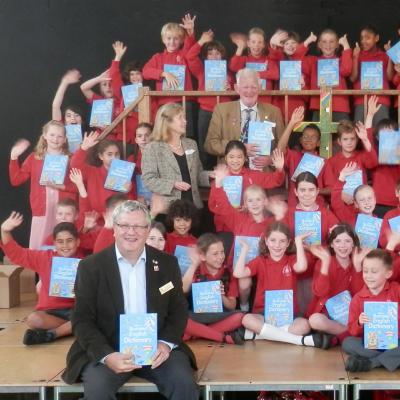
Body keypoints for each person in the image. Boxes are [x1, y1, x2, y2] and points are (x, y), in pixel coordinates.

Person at [62, 200, 198, 400]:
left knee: (184, 384)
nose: (131, 232)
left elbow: (178, 310)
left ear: (147, 229)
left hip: (156, 349)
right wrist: (107, 356)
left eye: (138, 226)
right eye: (124, 225)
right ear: (114, 229)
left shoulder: (167, 264)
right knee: (98, 389)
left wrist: (165, 344)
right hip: (109, 348)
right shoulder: (90, 267)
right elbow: (82, 319)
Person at [233, 222, 331, 348]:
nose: (277, 245)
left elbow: (301, 267)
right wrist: (245, 250)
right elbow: (238, 273)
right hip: (263, 313)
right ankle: (298, 341)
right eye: (273, 240)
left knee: (304, 326)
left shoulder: (291, 260)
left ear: (288, 243)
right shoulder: (261, 261)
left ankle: (256, 336)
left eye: (282, 241)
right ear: (266, 241)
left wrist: (299, 242)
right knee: (247, 320)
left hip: (289, 315)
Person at [1, 212, 84, 345]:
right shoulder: (44, 258)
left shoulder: (86, 262)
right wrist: (5, 230)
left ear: (77, 241)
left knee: (90, 317)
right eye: (60, 241)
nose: (65, 245)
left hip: (76, 310)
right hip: (50, 313)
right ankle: (71, 328)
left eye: (69, 241)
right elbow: (16, 253)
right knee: (33, 319)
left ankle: (53, 334)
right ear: (54, 243)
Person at [9, 120, 75, 249]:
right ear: (44, 135)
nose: (55, 139)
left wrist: (61, 186)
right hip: (41, 209)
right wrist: (13, 158)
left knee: (64, 243)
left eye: (59, 136)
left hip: (64, 210)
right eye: (52, 135)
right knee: (40, 247)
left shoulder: (71, 158)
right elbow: (16, 180)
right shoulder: (35, 157)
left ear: (65, 139)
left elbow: (79, 187)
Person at [204, 68, 284, 169]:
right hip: (230, 174)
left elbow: (283, 146)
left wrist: (271, 159)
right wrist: (240, 147)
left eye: (254, 87)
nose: (249, 91)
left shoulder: (274, 112)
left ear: (260, 88)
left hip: (262, 175)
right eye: (245, 87)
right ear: (237, 88)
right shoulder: (221, 110)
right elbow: (210, 144)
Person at [141, 103, 210, 210]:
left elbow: (198, 174)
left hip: (193, 208)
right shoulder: (152, 148)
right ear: (167, 122)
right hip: (167, 210)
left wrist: (211, 176)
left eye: (184, 118)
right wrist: (173, 184)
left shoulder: (191, 144)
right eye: (180, 118)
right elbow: (148, 180)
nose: (185, 121)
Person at [307, 224, 365, 345]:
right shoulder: (323, 262)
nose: (343, 246)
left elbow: (359, 293)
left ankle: (337, 337)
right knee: (314, 320)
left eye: (347, 241)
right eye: (338, 241)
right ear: (332, 244)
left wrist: (358, 267)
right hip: (327, 313)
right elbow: (320, 292)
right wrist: (325, 264)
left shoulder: (358, 262)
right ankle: (350, 334)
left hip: (350, 313)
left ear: (353, 244)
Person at [343, 249, 400, 372]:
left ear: (388, 274)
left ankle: (371, 363)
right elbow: (352, 331)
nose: (368, 276)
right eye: (365, 271)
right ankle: (390, 360)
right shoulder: (358, 298)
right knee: (347, 343)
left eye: (374, 272)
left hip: (395, 343)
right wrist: (359, 322)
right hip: (371, 345)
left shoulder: (396, 290)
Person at [181, 233, 244, 344]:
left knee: (239, 317)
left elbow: (232, 305)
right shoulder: (196, 271)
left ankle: (197, 334)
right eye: (215, 254)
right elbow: (182, 290)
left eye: (222, 252)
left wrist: (221, 295)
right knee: (181, 319)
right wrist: (194, 264)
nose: (220, 257)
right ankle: (222, 338)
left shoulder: (229, 273)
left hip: (219, 316)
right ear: (203, 256)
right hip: (197, 317)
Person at [185, 29, 233, 168]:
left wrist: (230, 89)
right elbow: (190, 57)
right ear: (206, 57)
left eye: (217, 53)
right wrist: (201, 41)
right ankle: (206, 171)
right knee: (204, 142)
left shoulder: (228, 72)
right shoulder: (201, 70)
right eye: (210, 53)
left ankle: (225, 169)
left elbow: (236, 93)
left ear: (222, 56)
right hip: (206, 111)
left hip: (225, 111)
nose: (214, 56)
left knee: (224, 141)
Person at [70, 132, 135, 215]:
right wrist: (83, 148)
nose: (114, 158)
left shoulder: (124, 173)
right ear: (101, 156)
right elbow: (75, 165)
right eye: (109, 154)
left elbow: (131, 204)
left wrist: (128, 192)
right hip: (96, 220)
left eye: (117, 154)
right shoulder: (92, 172)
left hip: (117, 219)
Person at [299, 29, 352, 121]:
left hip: (339, 105)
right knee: (318, 134)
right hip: (318, 105)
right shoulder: (313, 61)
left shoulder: (340, 61)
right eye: (324, 42)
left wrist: (346, 46)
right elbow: (297, 60)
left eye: (332, 42)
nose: (328, 45)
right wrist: (307, 41)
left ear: (337, 45)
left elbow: (347, 70)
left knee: (344, 134)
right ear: (319, 44)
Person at [351, 25, 393, 125]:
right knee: (360, 131)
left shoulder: (384, 55)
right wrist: (355, 58)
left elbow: (389, 77)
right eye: (362, 38)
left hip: (381, 99)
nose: (363, 41)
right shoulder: (358, 55)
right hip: (361, 99)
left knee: (381, 132)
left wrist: (391, 55)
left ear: (376, 38)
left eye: (368, 38)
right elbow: (352, 78)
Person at [229, 27, 279, 104]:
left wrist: (255, 74)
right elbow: (233, 67)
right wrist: (240, 48)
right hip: (247, 102)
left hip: (265, 101)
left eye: (259, 42)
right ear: (248, 43)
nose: (256, 45)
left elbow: (275, 74)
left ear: (263, 45)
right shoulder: (244, 59)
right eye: (253, 42)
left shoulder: (269, 59)